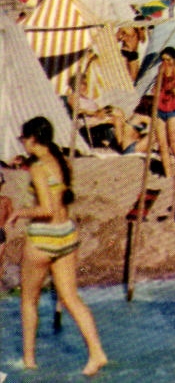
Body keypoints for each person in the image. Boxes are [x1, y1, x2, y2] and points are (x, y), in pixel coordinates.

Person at [10, 116, 108, 376]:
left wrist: (18, 212)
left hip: (43, 239)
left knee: (28, 301)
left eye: (23, 139)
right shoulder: (59, 160)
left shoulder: (39, 168)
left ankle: (29, 360)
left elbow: (46, 208)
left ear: (32, 139)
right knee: (71, 298)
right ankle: (96, 352)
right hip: (67, 235)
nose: (22, 144)